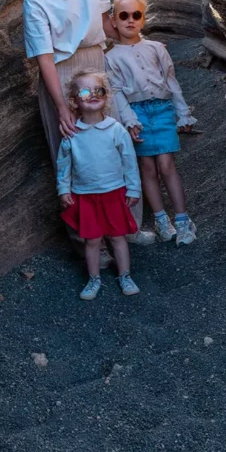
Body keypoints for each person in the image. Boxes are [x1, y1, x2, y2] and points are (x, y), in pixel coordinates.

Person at [22, 0, 155, 258]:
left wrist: (135, 51)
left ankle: (126, 229)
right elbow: (44, 57)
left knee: (116, 146)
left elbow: (105, 21)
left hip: (96, 61)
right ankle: (89, 246)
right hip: (62, 72)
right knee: (75, 157)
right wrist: (62, 106)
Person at [106, 0, 198, 246]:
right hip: (138, 113)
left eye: (136, 15)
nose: (130, 20)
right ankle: (160, 220)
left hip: (162, 109)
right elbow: (115, 92)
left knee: (167, 165)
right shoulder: (111, 57)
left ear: (144, 19)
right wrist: (129, 120)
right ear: (113, 20)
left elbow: (171, 81)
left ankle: (183, 220)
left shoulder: (157, 49)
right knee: (147, 168)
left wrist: (183, 113)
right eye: (123, 15)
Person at [57, 71, 141, 300]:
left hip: (114, 192)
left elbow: (130, 162)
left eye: (98, 90)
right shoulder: (72, 135)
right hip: (85, 195)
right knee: (92, 240)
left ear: (106, 96)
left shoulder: (116, 130)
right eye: (85, 91)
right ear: (74, 101)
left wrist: (134, 188)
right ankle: (93, 278)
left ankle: (125, 275)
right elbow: (64, 165)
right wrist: (63, 189)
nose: (93, 94)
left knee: (117, 237)